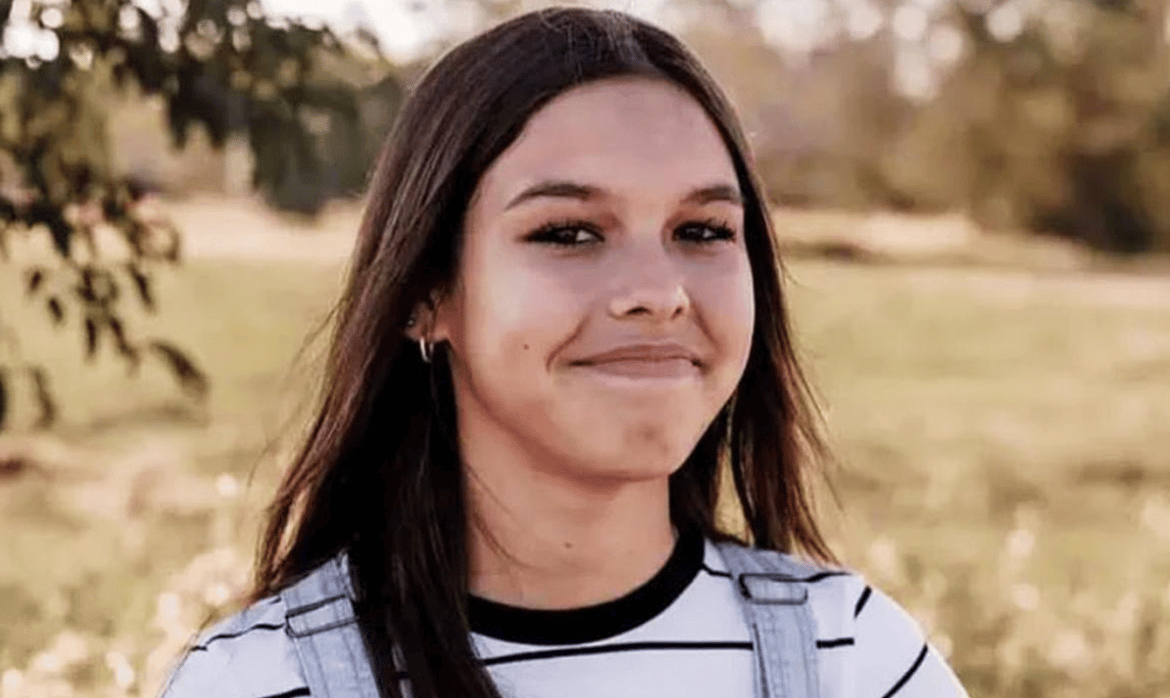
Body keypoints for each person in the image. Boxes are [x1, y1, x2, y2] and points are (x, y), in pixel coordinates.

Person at [158, 6, 970, 698]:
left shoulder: (857, 663)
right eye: (569, 233)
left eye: (702, 231)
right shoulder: (261, 681)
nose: (660, 292)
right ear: (424, 293)